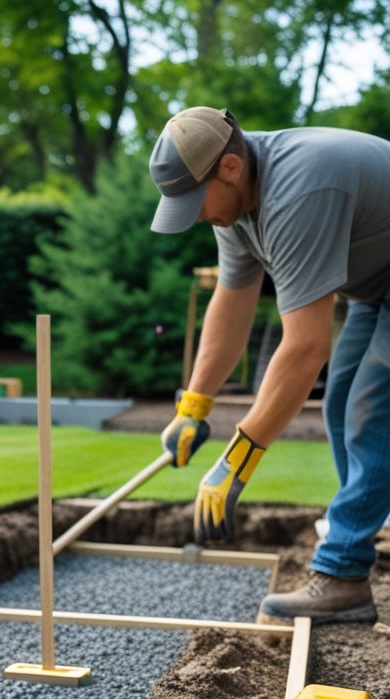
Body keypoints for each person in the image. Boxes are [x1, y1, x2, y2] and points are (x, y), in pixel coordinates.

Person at [149, 105, 390, 624]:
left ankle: (343, 573)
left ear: (230, 168)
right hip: (375, 286)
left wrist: (240, 457)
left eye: (194, 201)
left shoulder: (300, 189)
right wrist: (194, 403)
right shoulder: (234, 203)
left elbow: (305, 348)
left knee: (374, 409)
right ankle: (366, 525)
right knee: (342, 404)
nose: (193, 215)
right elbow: (232, 304)